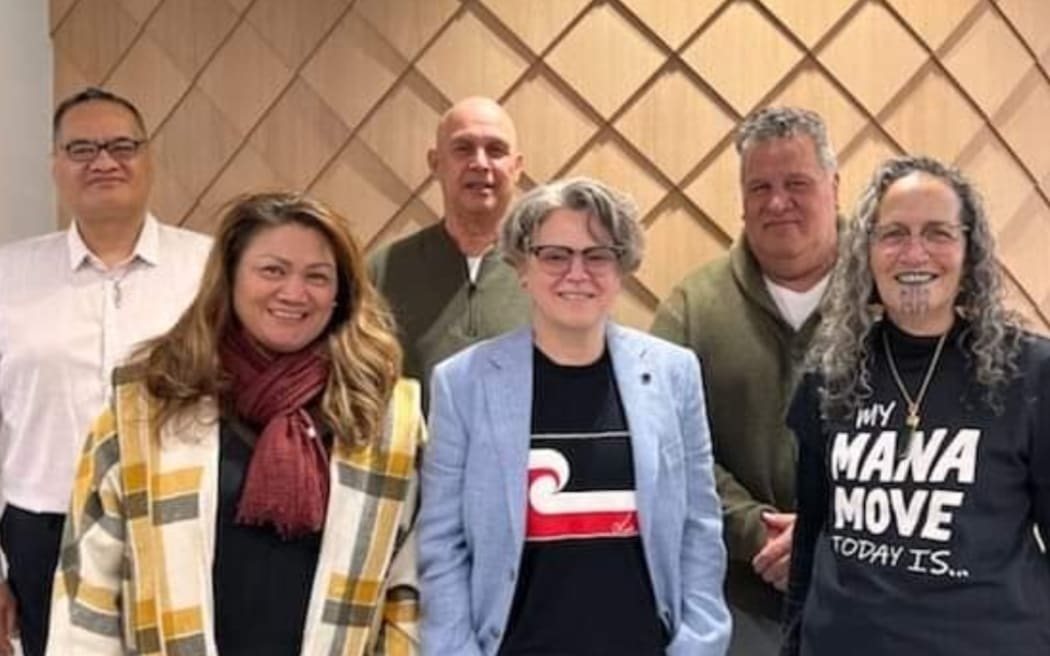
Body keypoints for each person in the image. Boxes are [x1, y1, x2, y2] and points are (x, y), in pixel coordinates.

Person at [46, 193, 424, 655]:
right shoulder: (148, 406)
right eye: (272, 270)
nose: (294, 292)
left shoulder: (386, 417)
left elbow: (408, 591)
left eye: (317, 277)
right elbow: (89, 593)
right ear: (230, 278)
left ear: (340, 294)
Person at [418, 177, 731, 656]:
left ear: (622, 266)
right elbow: (442, 544)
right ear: (522, 266)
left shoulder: (674, 373)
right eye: (555, 255)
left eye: (598, 254)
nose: (577, 272)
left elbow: (700, 528)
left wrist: (698, 645)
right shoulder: (463, 384)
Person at [782, 156, 1050, 655]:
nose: (914, 253)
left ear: (970, 252)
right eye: (894, 234)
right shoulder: (830, 373)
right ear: (867, 253)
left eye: (938, 233)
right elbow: (812, 532)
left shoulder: (1032, 374)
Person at [0, 87, 211, 656]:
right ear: (54, 165)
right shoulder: (8, 277)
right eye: (82, 148)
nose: (104, 161)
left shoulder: (211, 270)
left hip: (178, 520)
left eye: (122, 145)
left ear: (149, 159)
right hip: (42, 528)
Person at [650, 106, 839, 654]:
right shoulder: (692, 307)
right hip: (732, 598)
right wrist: (757, 529)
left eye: (796, 183)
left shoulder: (885, 299)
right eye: (760, 186)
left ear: (834, 185)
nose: (777, 202)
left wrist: (828, 535)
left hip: (869, 588)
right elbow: (665, 443)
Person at [368, 96, 530, 402]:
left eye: (495, 150)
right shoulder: (383, 270)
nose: (480, 163)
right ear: (435, 163)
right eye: (463, 148)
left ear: (517, 167)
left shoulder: (549, 272)